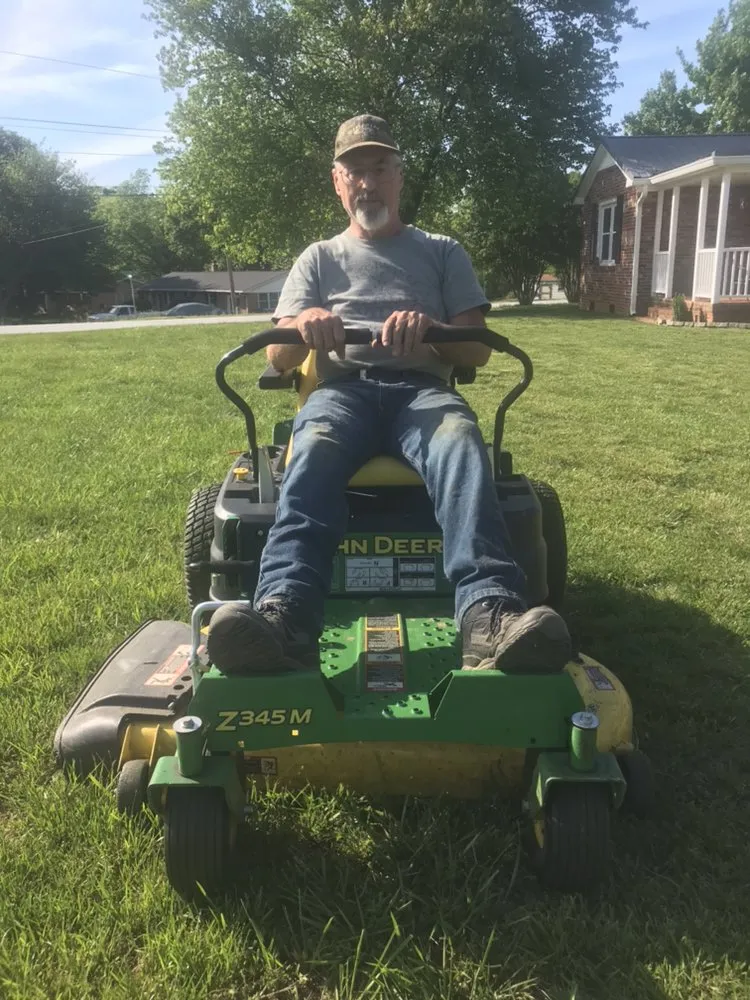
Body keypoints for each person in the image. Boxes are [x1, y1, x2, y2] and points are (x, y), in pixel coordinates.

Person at [207, 114, 571, 676]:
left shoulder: (442, 252)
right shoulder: (318, 258)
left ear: (400, 177)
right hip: (340, 393)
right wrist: (305, 323)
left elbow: (475, 350)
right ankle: (285, 616)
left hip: (422, 393)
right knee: (312, 450)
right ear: (338, 183)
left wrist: (430, 330)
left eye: (379, 169)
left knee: (459, 439)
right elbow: (276, 357)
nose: (368, 183)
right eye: (355, 172)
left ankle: (488, 615)